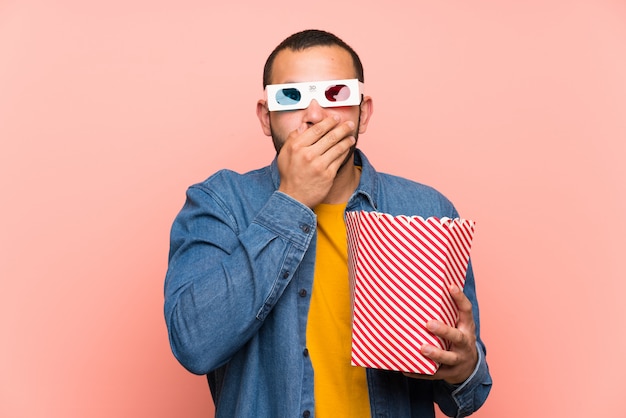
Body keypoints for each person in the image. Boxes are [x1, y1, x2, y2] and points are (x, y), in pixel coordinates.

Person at [164, 29, 492, 418]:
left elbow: (468, 396)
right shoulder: (220, 203)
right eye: (291, 97)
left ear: (363, 112)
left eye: (336, 95)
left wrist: (465, 368)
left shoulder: (427, 209)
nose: (315, 114)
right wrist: (292, 200)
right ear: (266, 117)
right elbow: (195, 344)